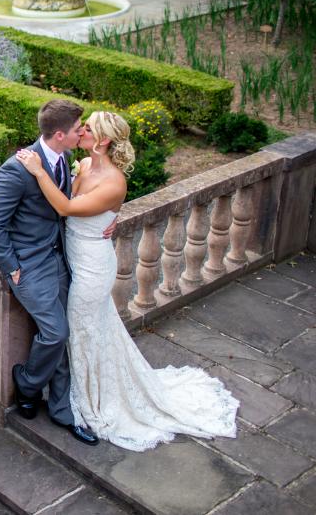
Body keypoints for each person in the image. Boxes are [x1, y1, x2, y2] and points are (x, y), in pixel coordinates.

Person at [15, 111, 239, 451]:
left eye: (87, 128)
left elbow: (64, 208)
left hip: (91, 267)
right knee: (90, 331)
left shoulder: (114, 182)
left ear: (103, 140)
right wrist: (110, 217)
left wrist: (37, 170)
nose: (82, 131)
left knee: (81, 331)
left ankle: (90, 402)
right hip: (71, 257)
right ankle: (73, 396)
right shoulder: (85, 166)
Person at [0, 99, 100, 445]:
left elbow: (67, 206)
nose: (83, 132)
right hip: (30, 266)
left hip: (61, 259)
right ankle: (28, 383)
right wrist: (13, 269)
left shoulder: (64, 159)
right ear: (61, 134)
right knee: (55, 333)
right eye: (79, 128)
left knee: (64, 337)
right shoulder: (16, 170)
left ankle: (62, 410)